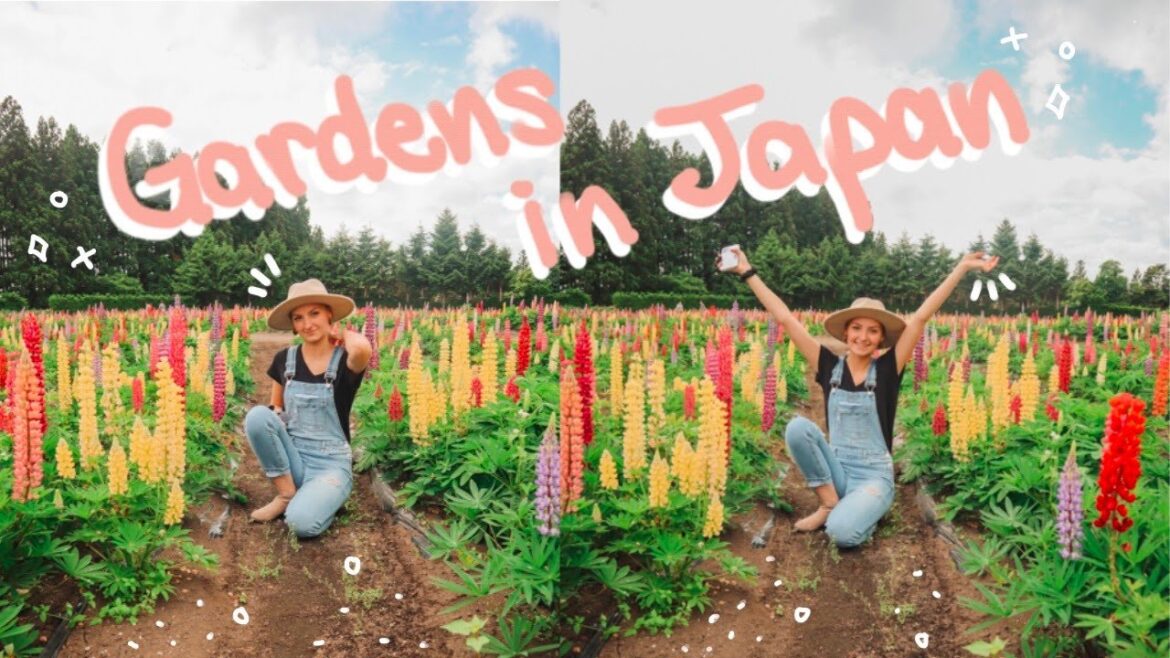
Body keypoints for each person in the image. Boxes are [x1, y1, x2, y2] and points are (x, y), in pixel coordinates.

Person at [719, 246, 998, 547]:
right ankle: (829, 503)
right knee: (797, 428)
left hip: (873, 477)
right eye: (856, 328)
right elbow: (786, 319)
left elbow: (920, 318)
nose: (863, 337)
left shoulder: (889, 369)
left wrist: (961, 267)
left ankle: (860, 511)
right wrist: (747, 272)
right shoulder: (828, 366)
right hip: (837, 470)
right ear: (846, 332)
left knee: (841, 534)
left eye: (873, 331)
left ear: (881, 338)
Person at [244, 279, 372, 538]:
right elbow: (275, 409)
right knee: (258, 416)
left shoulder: (345, 361)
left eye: (315, 313)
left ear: (329, 315)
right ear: (293, 325)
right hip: (294, 461)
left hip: (330, 465)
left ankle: (321, 497)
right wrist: (278, 427)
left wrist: (341, 334)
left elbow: (362, 348)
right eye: (299, 317)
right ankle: (286, 494)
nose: (308, 324)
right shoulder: (284, 359)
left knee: (300, 524)